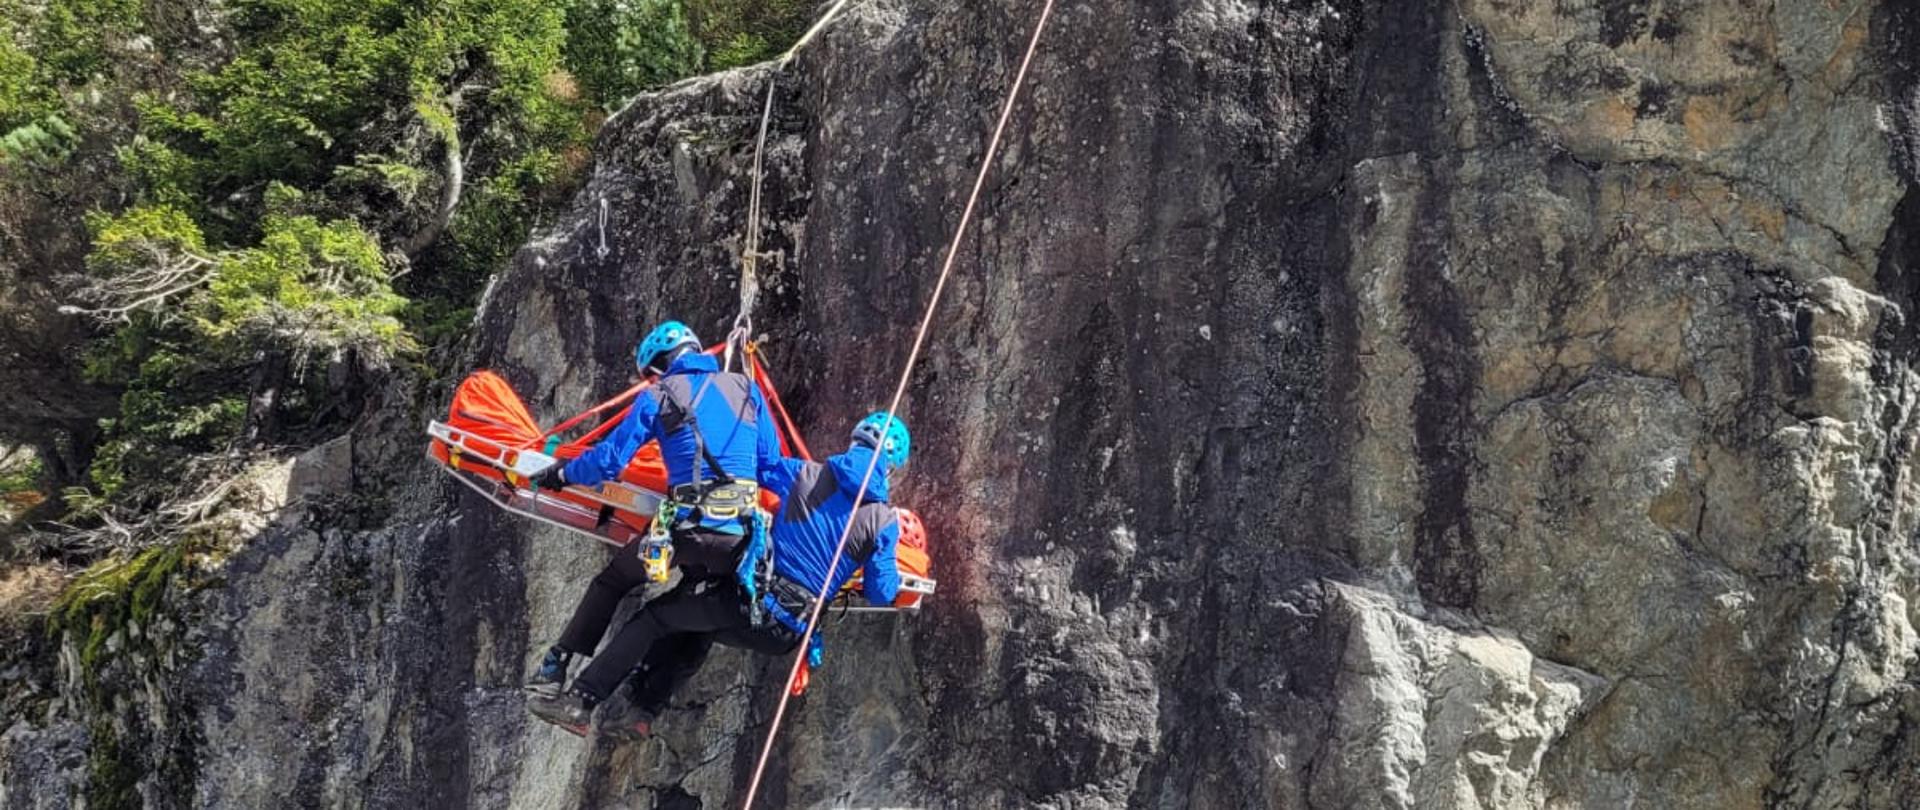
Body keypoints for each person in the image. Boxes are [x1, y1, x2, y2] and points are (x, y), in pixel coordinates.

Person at [525, 412, 912, 735]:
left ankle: (582, 702)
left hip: (752, 601)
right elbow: (881, 592)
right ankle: (641, 712)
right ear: (890, 468)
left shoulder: (806, 475)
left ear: (853, 442)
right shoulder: (883, 523)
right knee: (696, 625)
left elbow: (758, 469)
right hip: (788, 633)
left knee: (656, 618)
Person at [522, 319, 782, 699]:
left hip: (685, 531)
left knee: (613, 581)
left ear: (660, 365)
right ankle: (642, 701)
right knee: (686, 606)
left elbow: (608, 461)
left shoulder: (660, 396)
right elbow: (770, 463)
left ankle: (556, 667)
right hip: (738, 542)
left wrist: (562, 474)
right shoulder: (747, 391)